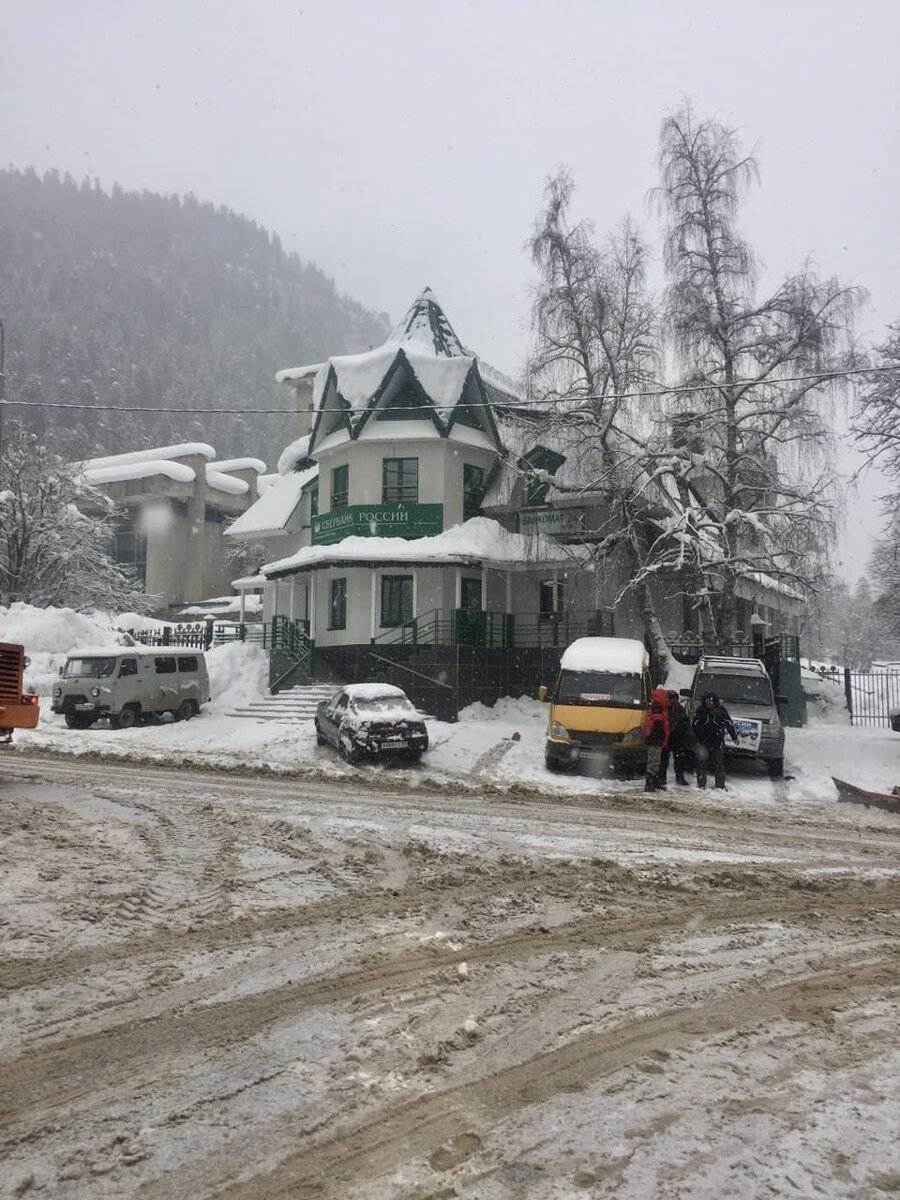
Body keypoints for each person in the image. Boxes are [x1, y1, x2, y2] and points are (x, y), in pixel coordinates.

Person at [692, 690, 739, 789]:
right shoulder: (701, 710)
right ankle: (701, 784)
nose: (709, 702)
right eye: (707, 700)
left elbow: (729, 724)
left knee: (718, 765)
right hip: (703, 742)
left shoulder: (721, 711)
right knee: (701, 764)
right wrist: (699, 733)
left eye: (711, 700)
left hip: (717, 742)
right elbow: (695, 724)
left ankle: (720, 785)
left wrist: (734, 737)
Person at [660, 690, 692, 786]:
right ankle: (662, 778)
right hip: (667, 737)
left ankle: (680, 777)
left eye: (675, 698)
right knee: (664, 759)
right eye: (671, 698)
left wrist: (684, 730)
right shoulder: (664, 709)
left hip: (678, 737)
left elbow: (685, 721)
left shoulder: (680, 709)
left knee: (679, 760)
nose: (673, 700)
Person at [643, 686, 670, 792]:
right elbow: (658, 726)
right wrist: (661, 737)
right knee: (654, 761)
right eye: (666, 698)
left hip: (655, 739)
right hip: (655, 740)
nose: (667, 700)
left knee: (655, 761)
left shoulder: (657, 708)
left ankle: (654, 781)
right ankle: (649, 783)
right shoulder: (658, 709)